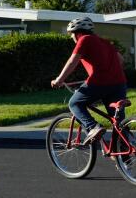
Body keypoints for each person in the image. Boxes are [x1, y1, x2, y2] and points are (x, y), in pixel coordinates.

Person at [51, 16, 128, 145]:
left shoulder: (84, 40)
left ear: (78, 33)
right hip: (119, 84)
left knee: (74, 103)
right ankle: (124, 156)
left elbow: (72, 61)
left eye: (72, 34)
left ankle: (93, 127)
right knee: (117, 121)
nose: (71, 37)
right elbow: (121, 60)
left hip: (98, 82)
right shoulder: (105, 42)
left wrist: (59, 80)